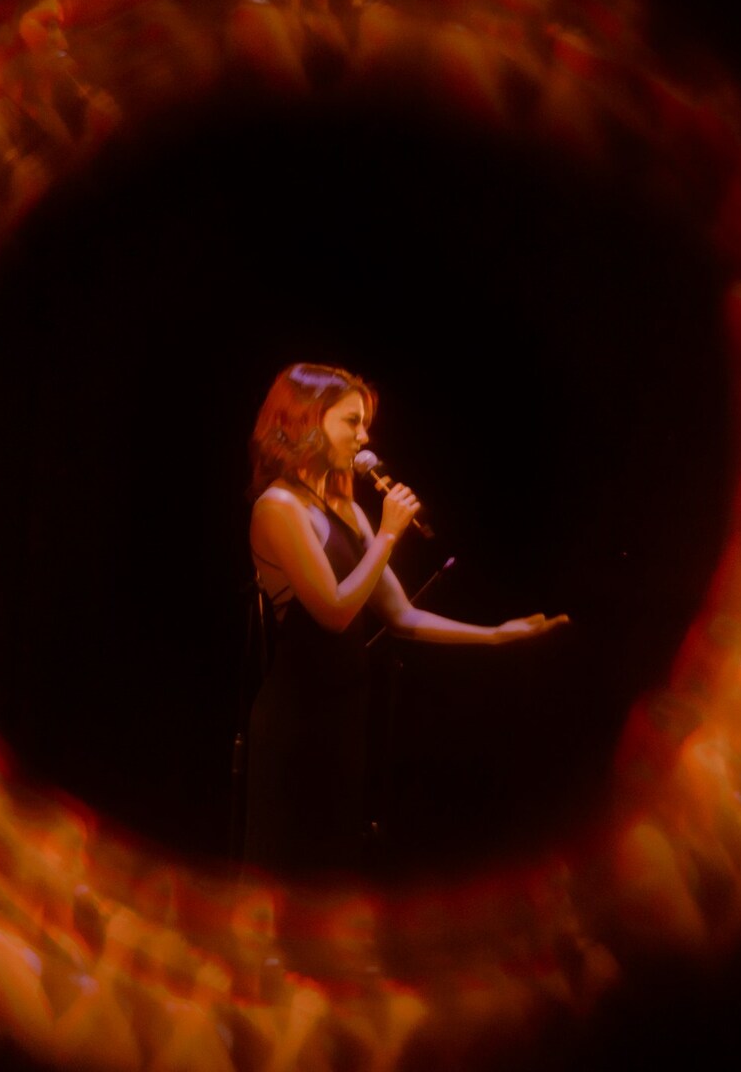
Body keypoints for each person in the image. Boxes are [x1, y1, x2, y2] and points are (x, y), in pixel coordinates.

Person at [241, 362, 566, 878]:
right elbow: (334, 611)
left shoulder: (347, 510)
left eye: (365, 424)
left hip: (344, 717)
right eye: (352, 422)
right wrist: (389, 534)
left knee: (334, 875)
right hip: (296, 725)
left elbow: (400, 614)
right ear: (307, 421)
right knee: (288, 876)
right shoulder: (278, 507)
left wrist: (495, 636)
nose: (364, 438)